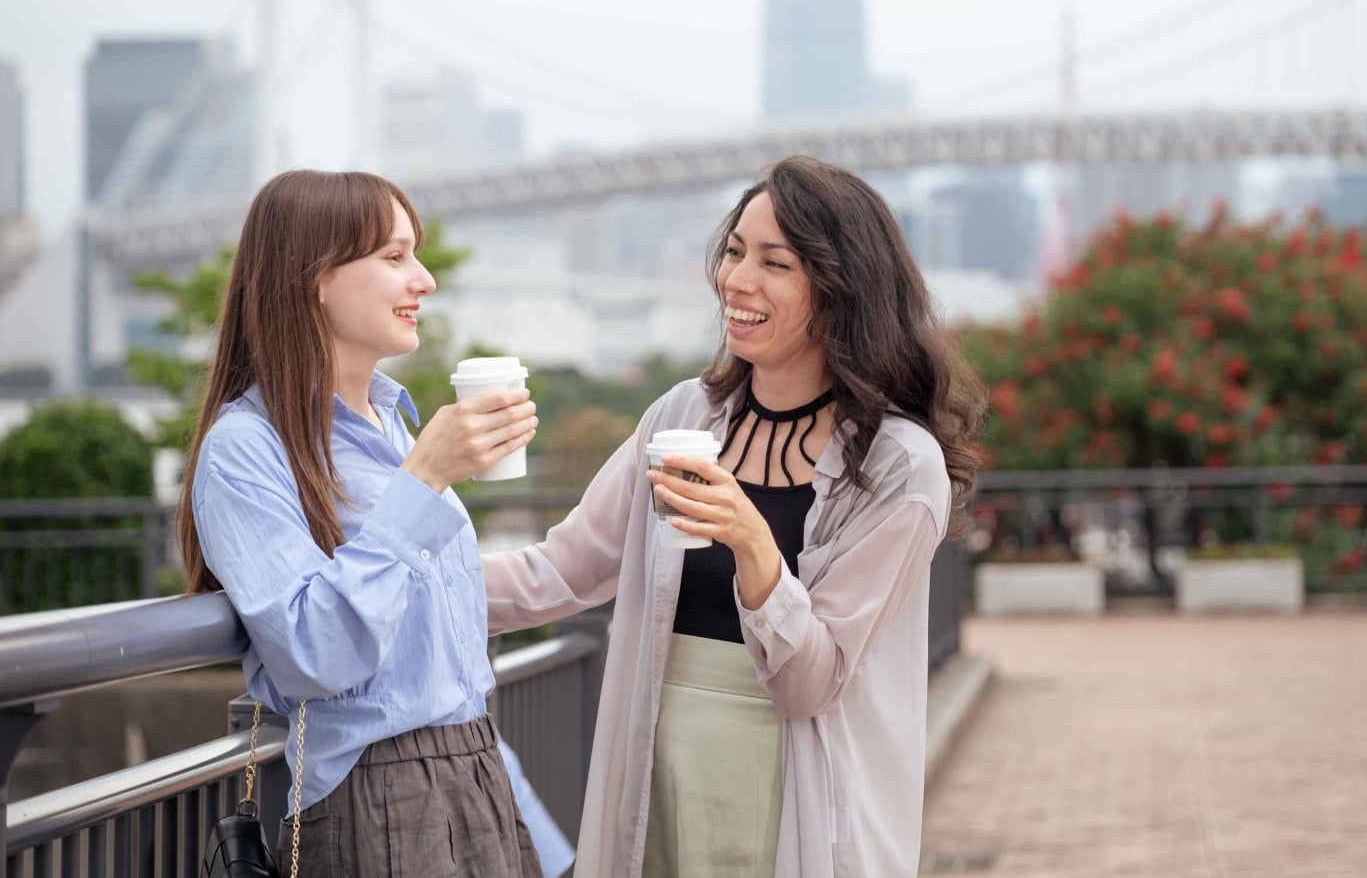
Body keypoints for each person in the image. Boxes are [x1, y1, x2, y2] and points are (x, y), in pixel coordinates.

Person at [482, 155, 987, 877]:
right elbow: (561, 570)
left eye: (775, 262)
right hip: (657, 771)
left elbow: (812, 681)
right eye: (735, 250)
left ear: (842, 289)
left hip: (791, 789)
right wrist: (390, 587)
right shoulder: (683, 416)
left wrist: (753, 542)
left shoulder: (896, 465)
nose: (737, 280)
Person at [178, 169, 573, 878]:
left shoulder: (392, 421)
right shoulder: (245, 448)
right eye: (394, 257)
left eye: (415, 254)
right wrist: (423, 480)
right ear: (314, 278)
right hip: (378, 798)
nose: (422, 279)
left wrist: (539, 836)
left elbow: (452, 670)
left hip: (479, 774)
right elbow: (312, 653)